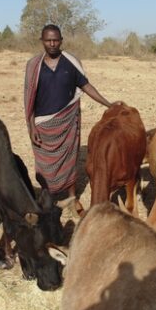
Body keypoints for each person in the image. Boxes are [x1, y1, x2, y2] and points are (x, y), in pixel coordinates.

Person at [23, 24, 113, 214]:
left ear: (61, 40)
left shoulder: (71, 62)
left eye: (56, 39)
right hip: (42, 125)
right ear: (42, 41)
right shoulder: (33, 66)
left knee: (71, 161)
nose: (52, 43)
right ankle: (47, 197)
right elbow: (29, 98)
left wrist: (108, 104)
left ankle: (72, 198)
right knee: (44, 166)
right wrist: (31, 126)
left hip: (68, 122)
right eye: (48, 40)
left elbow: (86, 86)